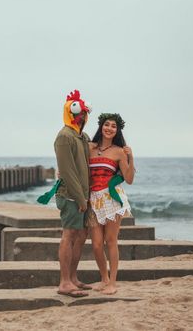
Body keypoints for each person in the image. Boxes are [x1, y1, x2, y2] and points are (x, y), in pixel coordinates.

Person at [87, 113, 135, 295]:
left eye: (113, 126)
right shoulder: (89, 148)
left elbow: (129, 179)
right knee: (97, 244)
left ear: (117, 130)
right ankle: (103, 279)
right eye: (106, 124)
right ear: (101, 126)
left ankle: (112, 282)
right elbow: (78, 166)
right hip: (93, 199)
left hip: (112, 199)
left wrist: (132, 157)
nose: (109, 128)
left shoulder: (119, 151)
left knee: (111, 241)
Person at [54, 89, 92, 297]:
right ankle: (64, 282)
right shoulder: (64, 137)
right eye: (81, 113)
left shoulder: (82, 136)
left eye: (86, 113)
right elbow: (67, 172)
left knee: (81, 235)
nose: (84, 117)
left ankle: (74, 278)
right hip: (70, 195)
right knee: (68, 235)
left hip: (83, 195)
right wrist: (80, 198)